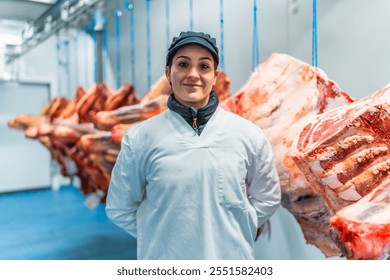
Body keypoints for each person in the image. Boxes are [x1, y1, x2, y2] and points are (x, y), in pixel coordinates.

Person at [105, 31, 281, 260]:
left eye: (204, 66)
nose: (193, 74)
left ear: (215, 76)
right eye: (183, 64)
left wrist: (236, 229)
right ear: (168, 72)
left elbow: (268, 198)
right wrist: (160, 235)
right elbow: (119, 207)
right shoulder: (140, 137)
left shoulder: (248, 135)